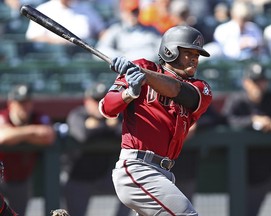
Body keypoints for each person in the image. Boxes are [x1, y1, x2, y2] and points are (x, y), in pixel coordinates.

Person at [99, 25, 212, 216]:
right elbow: (106, 108)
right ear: (170, 51)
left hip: (164, 173)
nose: (195, 58)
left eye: (197, 54)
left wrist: (143, 75)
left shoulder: (201, 87)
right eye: (188, 52)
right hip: (137, 168)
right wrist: (130, 92)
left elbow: (176, 89)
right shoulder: (143, 67)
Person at [221, 62, 271, 216]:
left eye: (262, 81)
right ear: (246, 82)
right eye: (255, 81)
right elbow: (225, 120)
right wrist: (252, 121)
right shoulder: (237, 99)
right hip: (246, 175)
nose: (259, 85)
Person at [63, 82, 129, 216]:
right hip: (78, 177)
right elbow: (82, 135)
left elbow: (125, 134)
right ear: (87, 101)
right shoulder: (78, 114)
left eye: (103, 100)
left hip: (104, 175)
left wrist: (98, 126)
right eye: (96, 100)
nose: (99, 104)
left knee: (130, 188)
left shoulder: (114, 115)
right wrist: (107, 126)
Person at [0, 84, 56, 216]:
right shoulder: (3, 116)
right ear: (11, 103)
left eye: (27, 102)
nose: (24, 107)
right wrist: (32, 132)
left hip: (21, 180)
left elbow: (48, 136)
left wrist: (17, 135)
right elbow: (2, 137)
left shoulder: (38, 117)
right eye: (20, 103)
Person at [95, 0, 161, 62]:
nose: (132, 15)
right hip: (127, 70)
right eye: (128, 11)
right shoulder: (116, 30)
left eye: (135, 11)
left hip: (151, 68)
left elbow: (163, 49)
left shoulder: (152, 30)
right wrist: (121, 58)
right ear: (122, 12)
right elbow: (100, 50)